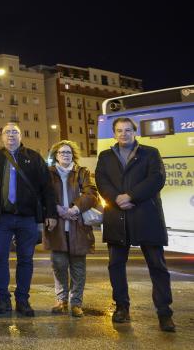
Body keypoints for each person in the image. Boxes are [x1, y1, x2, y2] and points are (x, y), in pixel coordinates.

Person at [95, 117, 175, 332]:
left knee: (157, 266)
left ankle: (164, 312)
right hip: (117, 217)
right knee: (116, 266)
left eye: (128, 130)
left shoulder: (150, 153)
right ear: (114, 134)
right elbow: (101, 181)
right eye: (119, 130)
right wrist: (117, 199)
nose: (123, 134)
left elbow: (157, 179)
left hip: (145, 216)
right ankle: (122, 307)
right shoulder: (105, 156)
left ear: (134, 132)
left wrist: (130, 196)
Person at [0, 122, 57, 317]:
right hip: (2, 219)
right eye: (7, 132)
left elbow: (47, 188)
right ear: (1, 136)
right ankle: (3, 298)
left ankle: (23, 299)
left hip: (27, 219)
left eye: (14, 132)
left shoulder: (34, 158)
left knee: (25, 259)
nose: (10, 135)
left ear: (20, 135)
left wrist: (50, 213)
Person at [43, 140, 98, 318]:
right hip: (57, 225)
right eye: (61, 152)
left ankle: (76, 303)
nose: (65, 155)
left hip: (78, 225)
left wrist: (75, 208)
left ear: (73, 154)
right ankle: (61, 300)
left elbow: (91, 194)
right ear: (55, 156)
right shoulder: (49, 173)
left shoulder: (82, 172)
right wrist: (57, 209)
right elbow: (42, 194)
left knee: (78, 267)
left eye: (68, 152)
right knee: (58, 264)